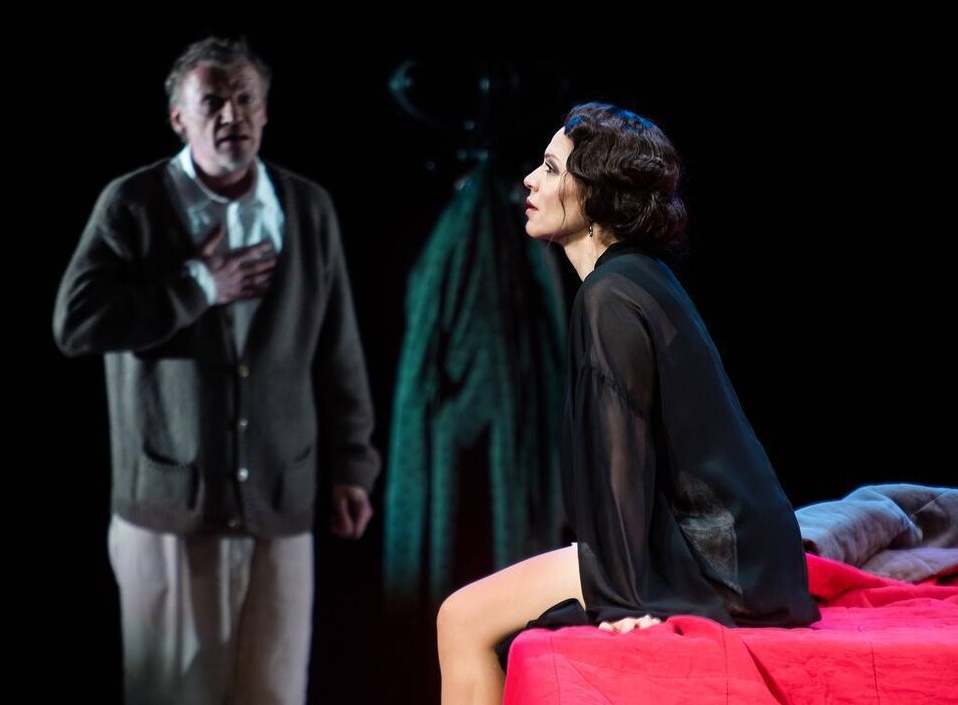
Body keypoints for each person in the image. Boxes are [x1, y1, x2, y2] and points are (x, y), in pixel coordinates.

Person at [436, 102, 819, 704]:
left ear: (596, 193)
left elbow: (623, 456)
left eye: (552, 169)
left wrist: (621, 600)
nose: (530, 181)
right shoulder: (640, 277)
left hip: (714, 569)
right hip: (746, 561)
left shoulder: (610, 296)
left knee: (461, 618)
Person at [53, 35, 381, 705]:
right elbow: (76, 322)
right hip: (170, 505)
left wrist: (353, 465)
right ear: (179, 118)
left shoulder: (307, 207)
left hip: (278, 501)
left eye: (245, 100)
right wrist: (197, 285)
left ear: (265, 112)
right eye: (212, 102)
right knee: (174, 692)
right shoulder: (134, 203)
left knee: (274, 690)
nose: (232, 115)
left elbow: (338, 349)